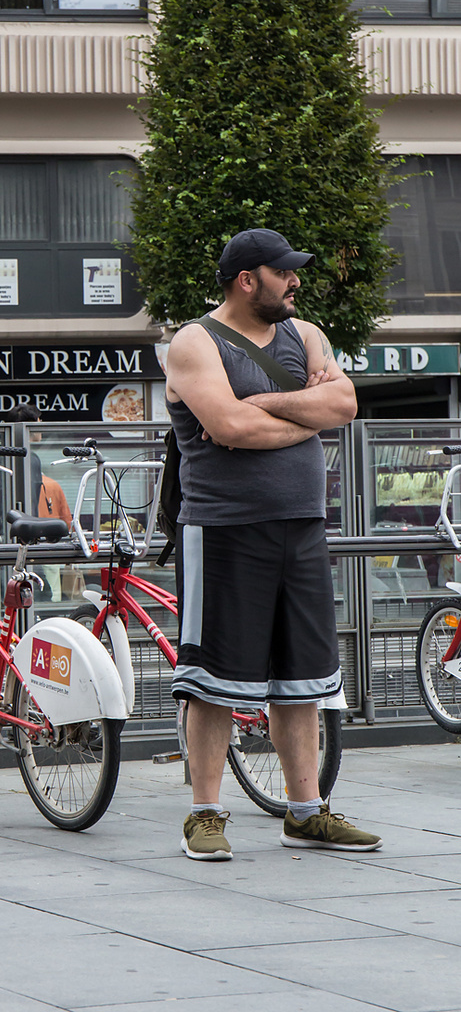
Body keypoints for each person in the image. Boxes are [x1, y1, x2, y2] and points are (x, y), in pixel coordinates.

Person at [164, 228, 382, 861]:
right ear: (246, 281)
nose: (295, 281)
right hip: (225, 530)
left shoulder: (305, 333)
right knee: (212, 680)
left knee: (303, 677)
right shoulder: (194, 343)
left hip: (302, 526)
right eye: (283, 273)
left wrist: (270, 405)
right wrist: (303, 413)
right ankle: (205, 814)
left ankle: (306, 811)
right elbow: (227, 425)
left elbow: (344, 404)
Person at [5, 403, 73, 600]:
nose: (41, 424)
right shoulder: (30, 458)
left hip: (7, 536)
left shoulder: (5, 455)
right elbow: (31, 502)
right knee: (37, 592)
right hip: (26, 538)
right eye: (38, 420)